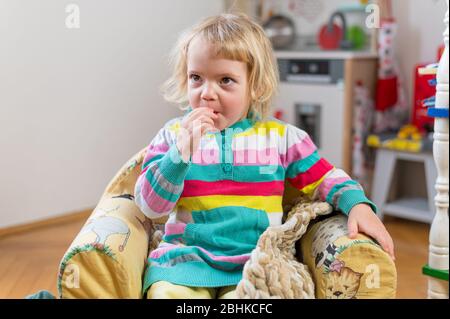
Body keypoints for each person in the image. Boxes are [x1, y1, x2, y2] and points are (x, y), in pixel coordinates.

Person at [134, 13, 395, 299]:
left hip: (256, 266)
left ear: (255, 86)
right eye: (196, 77)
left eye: (225, 80)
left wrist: (358, 205)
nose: (207, 93)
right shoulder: (172, 136)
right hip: (181, 267)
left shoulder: (283, 139)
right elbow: (150, 208)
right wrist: (180, 154)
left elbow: (326, 178)